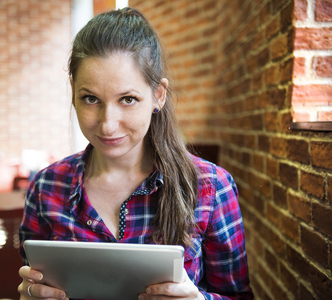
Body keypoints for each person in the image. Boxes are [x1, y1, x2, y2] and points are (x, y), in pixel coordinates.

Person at [18, 7, 253, 300]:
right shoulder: (45, 188)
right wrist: (29, 295)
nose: (107, 124)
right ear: (73, 92)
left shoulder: (211, 187)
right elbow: (33, 285)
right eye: (90, 99)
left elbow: (237, 295)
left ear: (158, 95)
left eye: (128, 99)